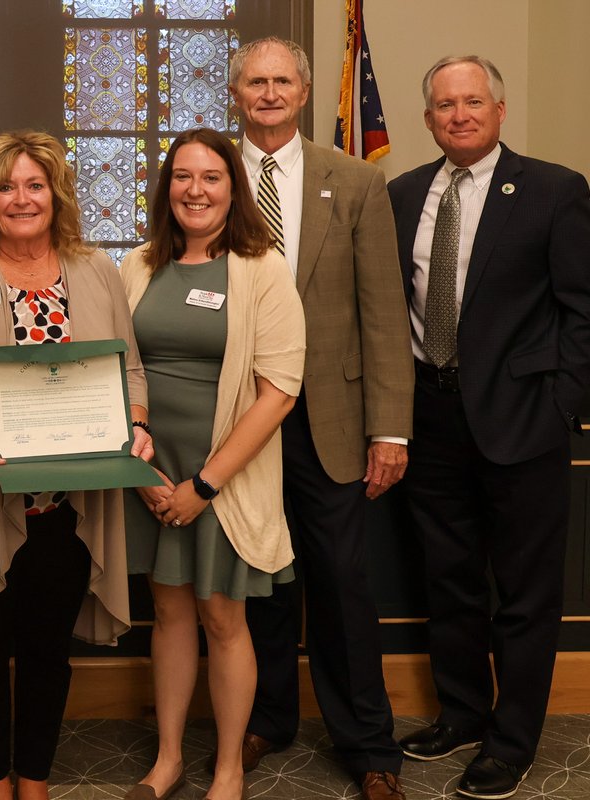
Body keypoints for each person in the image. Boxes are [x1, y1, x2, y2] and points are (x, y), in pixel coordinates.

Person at [0, 130, 152, 800]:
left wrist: (136, 423)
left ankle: (34, 778)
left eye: (35, 185)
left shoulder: (96, 267)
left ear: (55, 193)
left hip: (69, 502)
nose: (21, 198)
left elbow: (128, 367)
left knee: (47, 649)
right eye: (7, 186)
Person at [388, 56, 590, 800]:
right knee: (450, 580)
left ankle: (512, 740)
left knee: (526, 592)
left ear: (500, 110)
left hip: (523, 419)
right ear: (429, 117)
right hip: (429, 414)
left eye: (473, 101)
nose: (460, 114)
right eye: (445, 104)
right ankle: (464, 713)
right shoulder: (404, 194)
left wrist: (564, 401)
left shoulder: (553, 191)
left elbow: (582, 307)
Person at [229, 36, 415, 800]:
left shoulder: (358, 180)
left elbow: (382, 311)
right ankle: (266, 717)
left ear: (305, 93)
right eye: (255, 82)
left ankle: (368, 744)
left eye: (282, 82)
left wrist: (391, 429)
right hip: (238, 419)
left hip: (331, 419)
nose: (268, 94)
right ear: (236, 93)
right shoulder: (208, 173)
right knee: (260, 579)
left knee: (341, 581)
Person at [121, 129, 305, 800]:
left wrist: (205, 484)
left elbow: (279, 392)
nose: (195, 190)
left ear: (234, 189)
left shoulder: (263, 268)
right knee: (167, 615)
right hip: (150, 470)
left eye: (211, 178)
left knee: (224, 620)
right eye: (182, 177)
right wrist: (142, 469)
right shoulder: (139, 264)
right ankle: (168, 758)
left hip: (223, 479)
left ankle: (228, 768)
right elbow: (120, 368)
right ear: (167, 186)